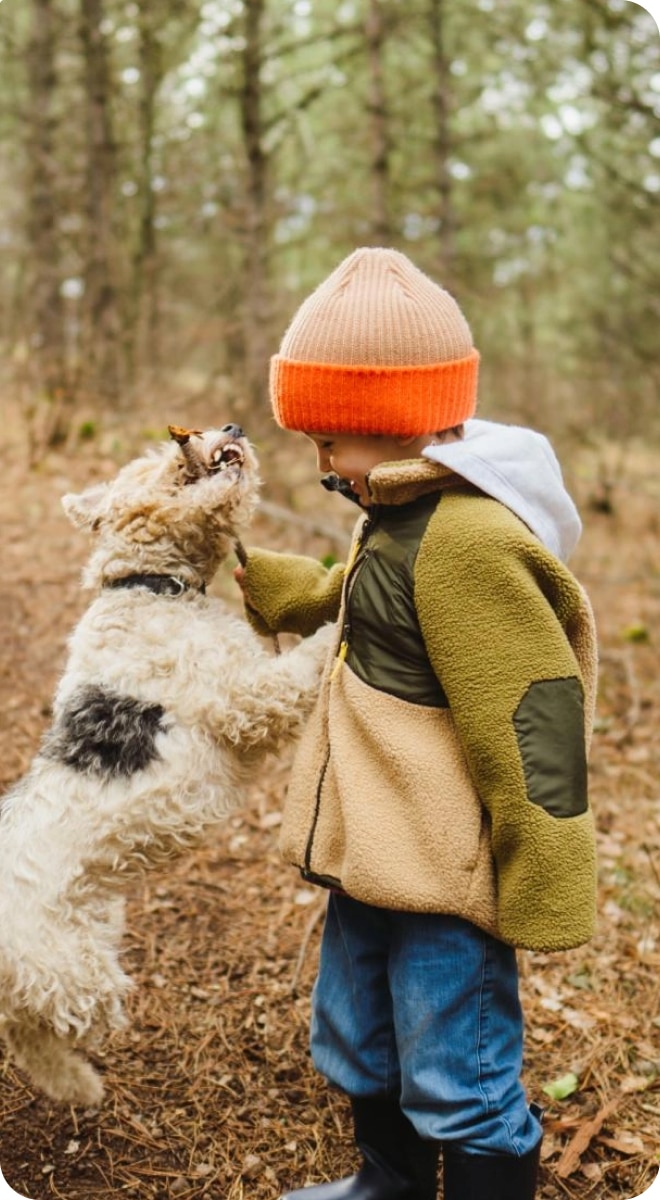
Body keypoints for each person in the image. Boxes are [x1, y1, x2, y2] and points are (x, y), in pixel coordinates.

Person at [235, 248, 598, 1200]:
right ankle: (385, 1186)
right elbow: (367, 599)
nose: (318, 462)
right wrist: (286, 590)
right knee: (360, 1036)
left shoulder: (470, 540)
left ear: (392, 423)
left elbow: (533, 713)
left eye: (329, 441)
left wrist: (546, 867)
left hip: (444, 870)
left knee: (458, 1075)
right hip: (375, 849)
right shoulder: (394, 508)